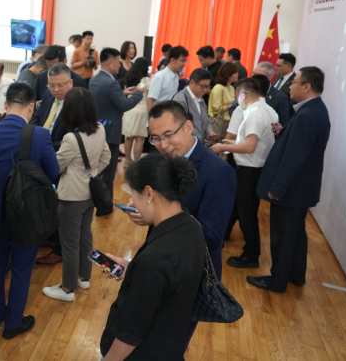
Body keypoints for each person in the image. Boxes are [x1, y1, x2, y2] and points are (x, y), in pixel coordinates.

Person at [99, 154, 205, 361]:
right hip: (170, 343)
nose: (131, 202)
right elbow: (170, 282)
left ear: (149, 193)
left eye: (133, 194)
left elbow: (130, 332)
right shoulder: (191, 226)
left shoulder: (155, 260)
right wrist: (131, 269)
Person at [0, 82, 59, 339]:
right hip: (27, 214)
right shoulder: (40, 135)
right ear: (32, 107)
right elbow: (53, 172)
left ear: (5, 104)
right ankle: (13, 323)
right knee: (22, 269)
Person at [249, 67, 330, 293]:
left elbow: (295, 159)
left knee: (283, 236)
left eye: (294, 82)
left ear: (307, 86)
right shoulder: (316, 109)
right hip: (301, 189)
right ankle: (296, 274)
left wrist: (277, 188)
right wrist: (285, 132)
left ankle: (277, 281)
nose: (290, 86)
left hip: (292, 191)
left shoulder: (306, 115)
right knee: (296, 234)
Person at [146, 101, 236, 280]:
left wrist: (158, 215)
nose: (162, 145)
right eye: (155, 138)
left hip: (192, 272)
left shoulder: (218, 172)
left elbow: (211, 237)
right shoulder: (164, 159)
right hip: (160, 261)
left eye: (168, 135)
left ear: (188, 127)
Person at [42, 88, 110, 302]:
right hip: (90, 195)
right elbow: (107, 156)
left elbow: (56, 167)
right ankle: (84, 277)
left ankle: (67, 289)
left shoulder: (71, 138)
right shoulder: (100, 129)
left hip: (71, 197)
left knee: (70, 243)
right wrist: (91, 174)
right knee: (85, 237)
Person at [211, 78, 277, 270]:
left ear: (243, 95)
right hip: (255, 167)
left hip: (249, 169)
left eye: (236, 95)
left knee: (247, 213)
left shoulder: (255, 114)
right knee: (239, 207)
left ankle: (252, 253)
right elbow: (252, 142)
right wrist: (230, 143)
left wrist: (222, 147)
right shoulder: (267, 110)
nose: (235, 100)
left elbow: (250, 146)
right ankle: (222, 235)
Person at [89, 48, 144, 211]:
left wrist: (122, 93)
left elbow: (104, 99)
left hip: (97, 129)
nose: (120, 66)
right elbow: (125, 105)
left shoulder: (95, 79)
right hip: (111, 131)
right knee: (109, 171)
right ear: (110, 63)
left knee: (97, 168)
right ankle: (105, 205)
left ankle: (96, 201)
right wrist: (139, 93)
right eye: (118, 63)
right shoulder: (111, 83)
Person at [31, 63, 74, 265]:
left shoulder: (76, 103)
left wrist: (43, 144)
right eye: (51, 85)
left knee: (60, 206)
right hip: (41, 156)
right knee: (44, 200)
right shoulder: (48, 97)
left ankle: (59, 249)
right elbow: (36, 119)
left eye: (60, 85)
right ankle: (50, 236)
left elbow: (73, 138)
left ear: (70, 83)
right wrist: (30, 135)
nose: (55, 90)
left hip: (62, 159)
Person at [121, 57, 152, 166]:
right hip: (141, 111)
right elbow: (149, 96)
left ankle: (127, 160)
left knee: (128, 137)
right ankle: (136, 163)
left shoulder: (128, 78)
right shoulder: (145, 80)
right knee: (139, 139)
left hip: (129, 110)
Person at [172, 68, 216, 141]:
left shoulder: (201, 100)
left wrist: (209, 131)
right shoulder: (181, 99)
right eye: (203, 86)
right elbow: (181, 123)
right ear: (192, 82)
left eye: (207, 87)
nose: (205, 90)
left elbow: (206, 120)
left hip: (199, 142)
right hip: (187, 142)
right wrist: (199, 139)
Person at [147, 45, 187, 112]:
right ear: (172, 60)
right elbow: (150, 100)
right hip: (158, 115)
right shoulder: (159, 77)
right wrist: (152, 117)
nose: (184, 64)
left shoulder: (175, 77)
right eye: (182, 61)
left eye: (185, 61)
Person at [208, 62, 239, 140]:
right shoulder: (218, 87)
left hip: (228, 121)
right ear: (228, 73)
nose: (237, 74)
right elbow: (216, 108)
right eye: (235, 72)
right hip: (218, 122)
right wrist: (232, 105)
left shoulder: (232, 88)